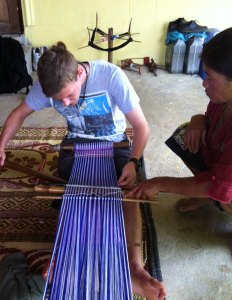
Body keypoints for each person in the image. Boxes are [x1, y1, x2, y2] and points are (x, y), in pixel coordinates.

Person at [0, 42, 166, 300]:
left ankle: (134, 267)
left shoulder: (110, 76)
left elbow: (142, 127)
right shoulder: (48, 86)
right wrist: (1, 146)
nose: (66, 103)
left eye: (69, 95)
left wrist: (133, 161)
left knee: (128, 192)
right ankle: (68, 262)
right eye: (59, 100)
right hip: (76, 144)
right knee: (74, 193)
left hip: (115, 142)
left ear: (79, 73)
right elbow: (19, 113)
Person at [127, 27, 232, 217]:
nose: (204, 84)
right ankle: (209, 197)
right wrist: (198, 120)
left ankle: (215, 198)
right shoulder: (222, 99)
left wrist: (162, 183)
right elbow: (208, 119)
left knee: (224, 191)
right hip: (223, 166)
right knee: (186, 135)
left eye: (210, 78)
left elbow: (222, 183)